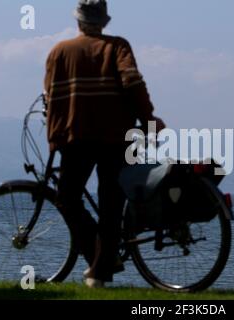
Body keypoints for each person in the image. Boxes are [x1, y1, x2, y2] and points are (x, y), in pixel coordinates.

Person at [44, 0, 165, 288]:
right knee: (111, 203)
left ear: (77, 21)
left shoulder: (59, 51)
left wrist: (54, 137)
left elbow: (52, 99)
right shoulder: (117, 46)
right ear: (104, 22)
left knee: (67, 198)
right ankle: (101, 268)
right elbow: (133, 83)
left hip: (76, 137)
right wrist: (149, 121)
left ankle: (99, 257)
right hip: (116, 137)